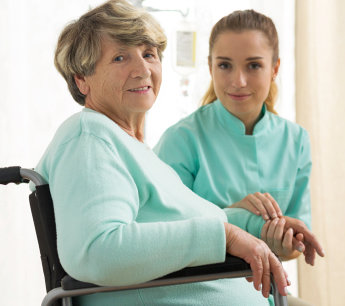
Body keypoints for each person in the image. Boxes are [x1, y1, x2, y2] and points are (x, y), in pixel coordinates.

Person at [31, 2, 322, 305]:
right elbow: (97, 250)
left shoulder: (130, 147)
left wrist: (258, 226)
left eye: (148, 54)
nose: (143, 69)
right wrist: (226, 236)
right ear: (82, 79)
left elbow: (197, 219)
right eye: (120, 57)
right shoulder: (89, 137)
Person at [154, 9, 323, 305]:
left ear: (275, 68)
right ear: (210, 67)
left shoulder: (295, 140)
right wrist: (238, 218)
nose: (239, 81)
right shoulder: (181, 139)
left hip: (267, 294)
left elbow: (296, 246)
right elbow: (162, 239)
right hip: (197, 292)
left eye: (254, 66)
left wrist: (282, 242)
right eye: (225, 65)